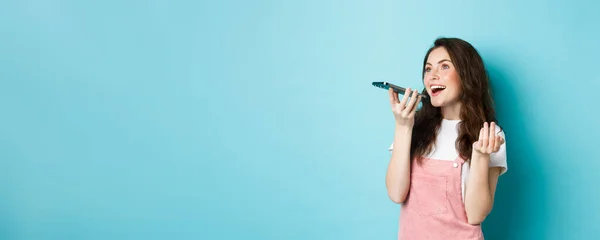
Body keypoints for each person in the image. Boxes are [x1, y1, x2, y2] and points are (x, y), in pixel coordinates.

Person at [385, 37, 507, 240]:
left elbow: (476, 214)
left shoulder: (489, 135)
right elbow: (396, 194)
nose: (433, 76)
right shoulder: (414, 126)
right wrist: (402, 127)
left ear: (466, 75)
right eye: (428, 69)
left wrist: (480, 157)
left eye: (444, 67)